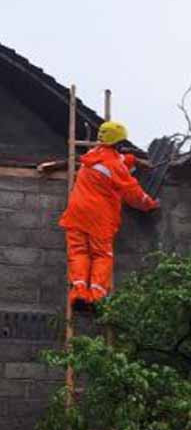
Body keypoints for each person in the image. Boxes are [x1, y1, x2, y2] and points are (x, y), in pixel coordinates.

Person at [58, 121, 159, 310]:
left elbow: (116, 161)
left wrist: (134, 160)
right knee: (101, 255)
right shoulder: (114, 166)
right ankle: (95, 298)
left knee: (78, 252)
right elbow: (133, 193)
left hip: (76, 213)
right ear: (118, 142)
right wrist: (150, 204)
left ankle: (79, 293)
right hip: (99, 217)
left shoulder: (91, 155)